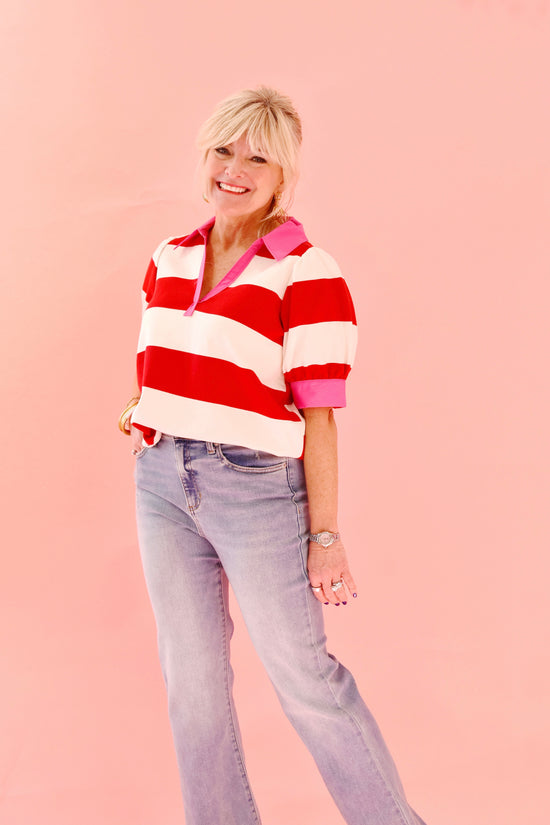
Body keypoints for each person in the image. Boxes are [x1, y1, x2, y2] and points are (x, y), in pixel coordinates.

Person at [119, 86, 426, 825]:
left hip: (255, 487)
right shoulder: (171, 255)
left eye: (258, 156)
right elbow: (167, 357)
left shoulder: (305, 270)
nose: (236, 168)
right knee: (190, 682)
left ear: (283, 172)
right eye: (225, 150)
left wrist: (325, 535)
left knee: (305, 678)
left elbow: (320, 418)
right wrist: (146, 407)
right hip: (162, 481)